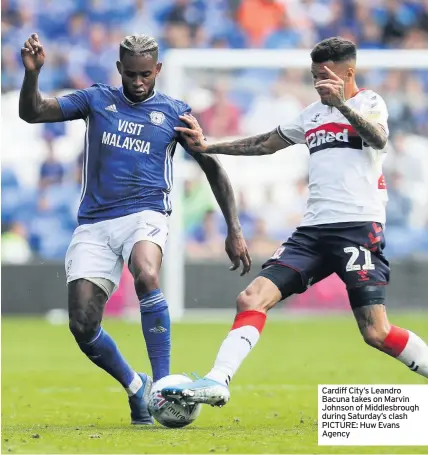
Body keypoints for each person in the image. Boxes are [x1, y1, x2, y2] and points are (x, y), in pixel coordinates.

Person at [161, 37, 428, 408]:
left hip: (357, 230)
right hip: (313, 232)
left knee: (376, 332)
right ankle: (217, 380)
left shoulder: (369, 103)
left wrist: (342, 107)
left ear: (347, 73)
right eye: (314, 76)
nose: (319, 84)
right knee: (251, 297)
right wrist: (209, 146)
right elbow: (267, 142)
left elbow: (379, 138)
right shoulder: (312, 115)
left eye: (325, 76)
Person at [19, 33, 251, 424]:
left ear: (157, 69)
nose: (138, 81)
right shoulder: (96, 99)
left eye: (146, 74)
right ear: (118, 70)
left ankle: (162, 388)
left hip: (146, 213)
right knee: (82, 324)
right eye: (131, 74)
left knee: (146, 273)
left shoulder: (176, 113)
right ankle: (136, 386)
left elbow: (213, 168)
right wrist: (33, 75)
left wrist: (234, 229)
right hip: (94, 223)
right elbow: (33, 112)